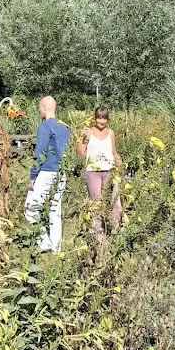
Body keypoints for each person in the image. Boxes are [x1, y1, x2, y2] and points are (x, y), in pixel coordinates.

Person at [25, 96, 71, 253]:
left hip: (46, 171)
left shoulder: (44, 127)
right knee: (55, 209)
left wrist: (33, 176)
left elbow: (40, 153)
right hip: (61, 171)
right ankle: (56, 247)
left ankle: (44, 242)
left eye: (40, 108)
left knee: (31, 208)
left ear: (44, 108)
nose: (39, 111)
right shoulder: (65, 127)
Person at [77, 107, 123, 228]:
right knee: (96, 203)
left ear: (107, 119)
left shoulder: (111, 133)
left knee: (113, 201)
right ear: (94, 118)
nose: (101, 122)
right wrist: (83, 140)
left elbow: (113, 151)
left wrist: (118, 160)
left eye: (104, 119)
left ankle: (114, 228)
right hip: (93, 172)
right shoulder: (88, 132)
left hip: (109, 171)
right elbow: (80, 153)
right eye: (99, 118)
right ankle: (97, 234)